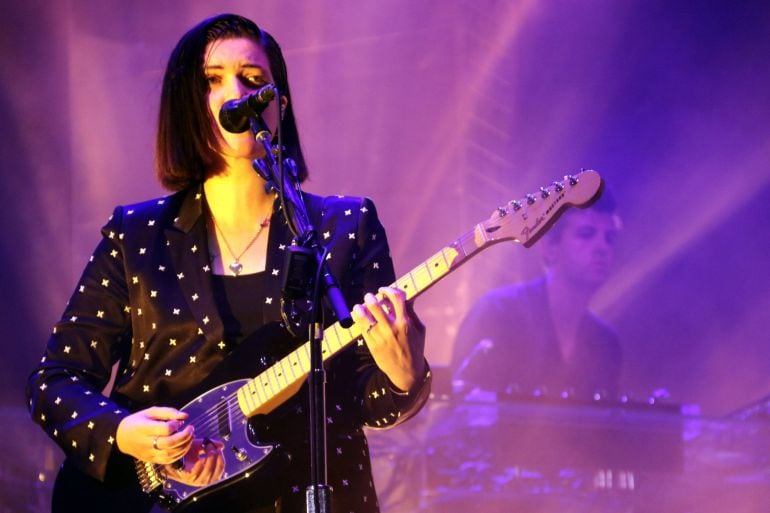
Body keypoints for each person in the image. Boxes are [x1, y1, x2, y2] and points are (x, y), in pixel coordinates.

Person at [26, 13, 430, 513]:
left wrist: (406, 378)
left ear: (279, 103)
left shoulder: (345, 227)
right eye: (213, 80)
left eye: (254, 80)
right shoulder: (136, 236)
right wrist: (125, 434)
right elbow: (54, 381)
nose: (236, 93)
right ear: (187, 106)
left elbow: (367, 401)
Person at [451, 190, 621, 400]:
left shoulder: (605, 344)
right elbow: (458, 411)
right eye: (586, 234)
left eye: (610, 238)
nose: (602, 247)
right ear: (549, 247)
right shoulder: (498, 312)